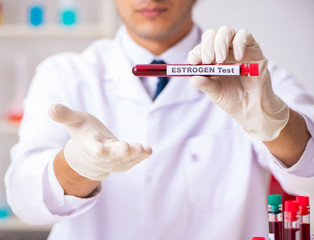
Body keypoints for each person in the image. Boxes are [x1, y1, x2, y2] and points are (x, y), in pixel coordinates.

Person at [4, 0, 314, 239]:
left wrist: (274, 123)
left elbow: (310, 175)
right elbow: (24, 197)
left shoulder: (258, 79)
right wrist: (76, 168)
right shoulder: (64, 75)